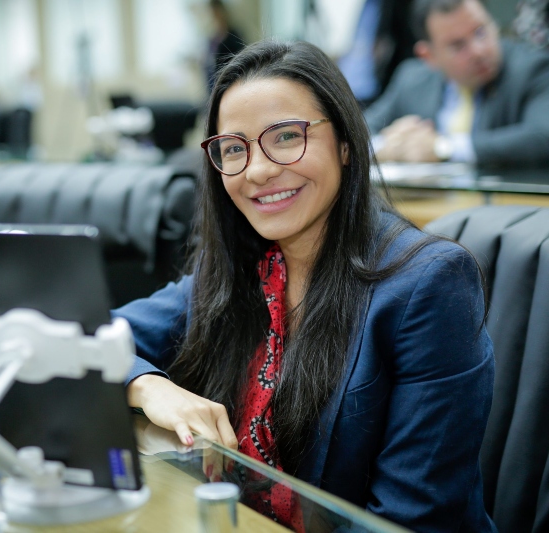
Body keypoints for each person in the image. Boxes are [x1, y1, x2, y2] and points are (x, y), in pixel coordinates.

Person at [113, 40, 496, 531]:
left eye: (287, 136)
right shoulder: (239, 268)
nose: (258, 170)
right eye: (234, 148)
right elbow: (90, 337)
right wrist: (147, 386)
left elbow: (413, 520)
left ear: (345, 143)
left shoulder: (430, 285)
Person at [365, 0, 549, 165]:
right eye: (458, 45)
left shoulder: (532, 69)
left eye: (480, 32)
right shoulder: (412, 79)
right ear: (429, 56)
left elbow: (542, 136)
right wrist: (387, 146)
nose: (478, 51)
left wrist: (442, 148)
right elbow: (360, 130)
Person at [203, 0, 245, 93]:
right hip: (212, 88)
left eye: (217, 12)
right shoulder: (212, 39)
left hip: (230, 86)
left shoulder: (233, 36)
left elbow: (242, 62)